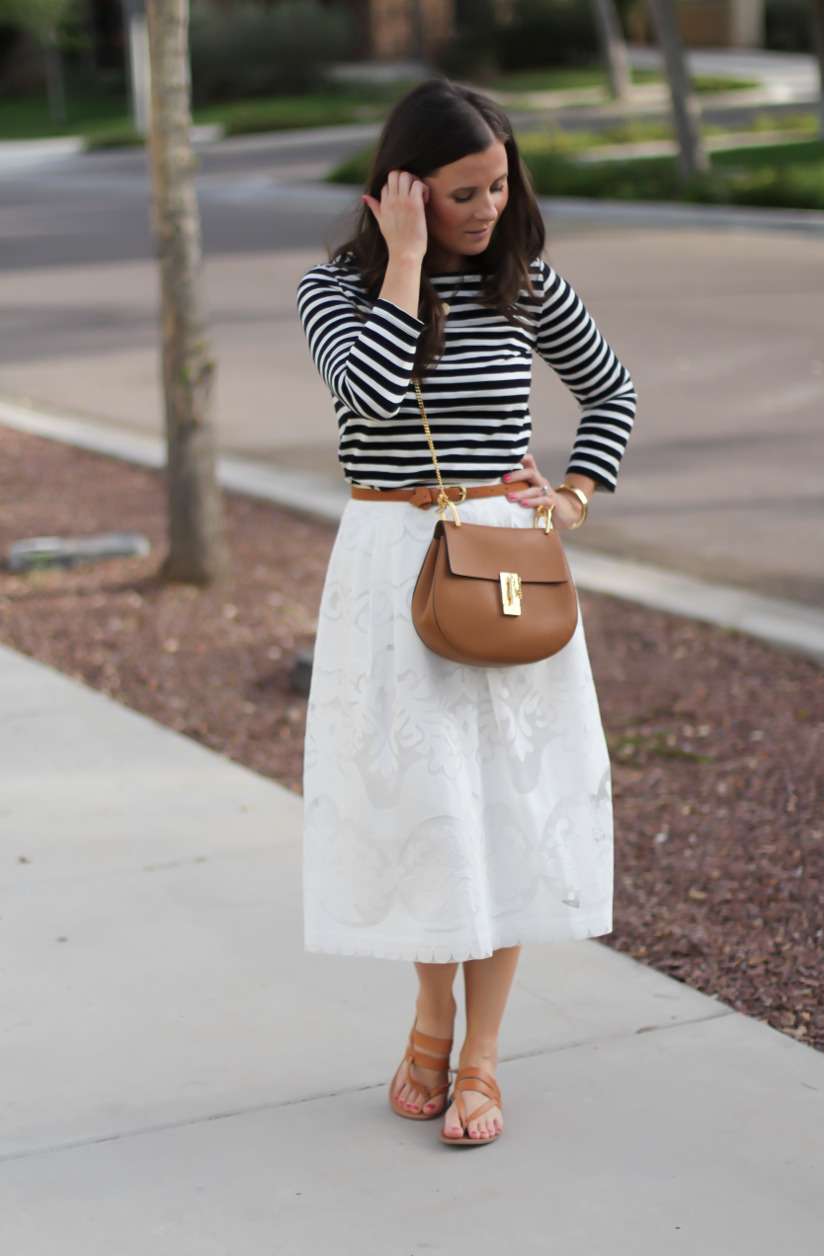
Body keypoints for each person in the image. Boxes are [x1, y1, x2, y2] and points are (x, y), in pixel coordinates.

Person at [297, 79, 636, 1147]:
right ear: (401, 189)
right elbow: (368, 395)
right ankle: (429, 1020)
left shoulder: (524, 285)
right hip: (393, 569)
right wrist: (403, 263)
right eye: (459, 192)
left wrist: (573, 495)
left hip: (501, 567)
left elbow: (611, 392)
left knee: (502, 805)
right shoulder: (331, 291)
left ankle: (480, 1054)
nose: (487, 208)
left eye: (497, 184)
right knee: (427, 809)